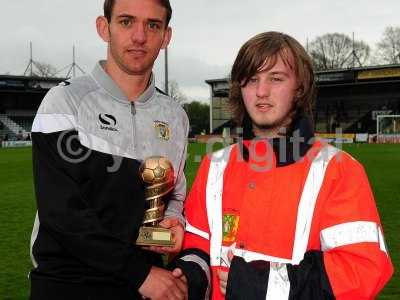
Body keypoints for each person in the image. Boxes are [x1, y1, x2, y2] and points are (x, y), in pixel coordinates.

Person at [169, 32, 393, 299]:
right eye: (252, 80)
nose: (261, 91)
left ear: (299, 87)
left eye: (276, 78)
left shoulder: (339, 169)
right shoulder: (214, 164)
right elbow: (198, 247)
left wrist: (262, 286)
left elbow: (363, 270)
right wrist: (188, 277)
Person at [29, 1, 189, 299]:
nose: (140, 36)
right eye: (127, 22)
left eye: (153, 25)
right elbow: (63, 215)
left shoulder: (175, 116)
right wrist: (139, 274)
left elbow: (176, 195)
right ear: (105, 28)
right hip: (69, 285)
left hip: (146, 286)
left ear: (166, 37)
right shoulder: (64, 102)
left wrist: (174, 222)